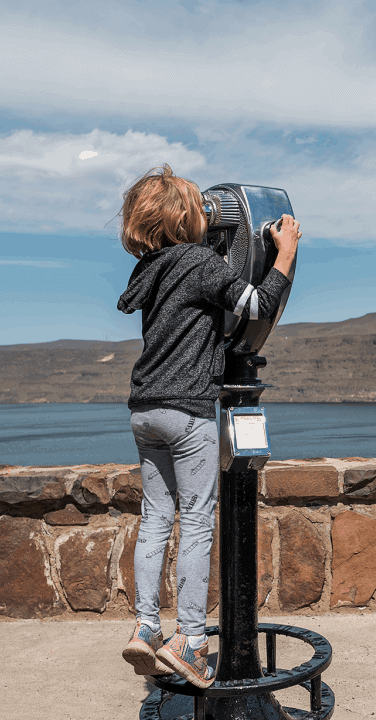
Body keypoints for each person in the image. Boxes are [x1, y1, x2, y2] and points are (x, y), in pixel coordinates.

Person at [115, 165, 300, 687]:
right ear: (183, 218)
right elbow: (258, 303)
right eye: (201, 207)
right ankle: (191, 643)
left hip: (144, 409)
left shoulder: (149, 270)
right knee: (196, 521)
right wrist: (283, 251)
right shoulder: (199, 263)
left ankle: (145, 628)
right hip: (188, 410)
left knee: (155, 520)